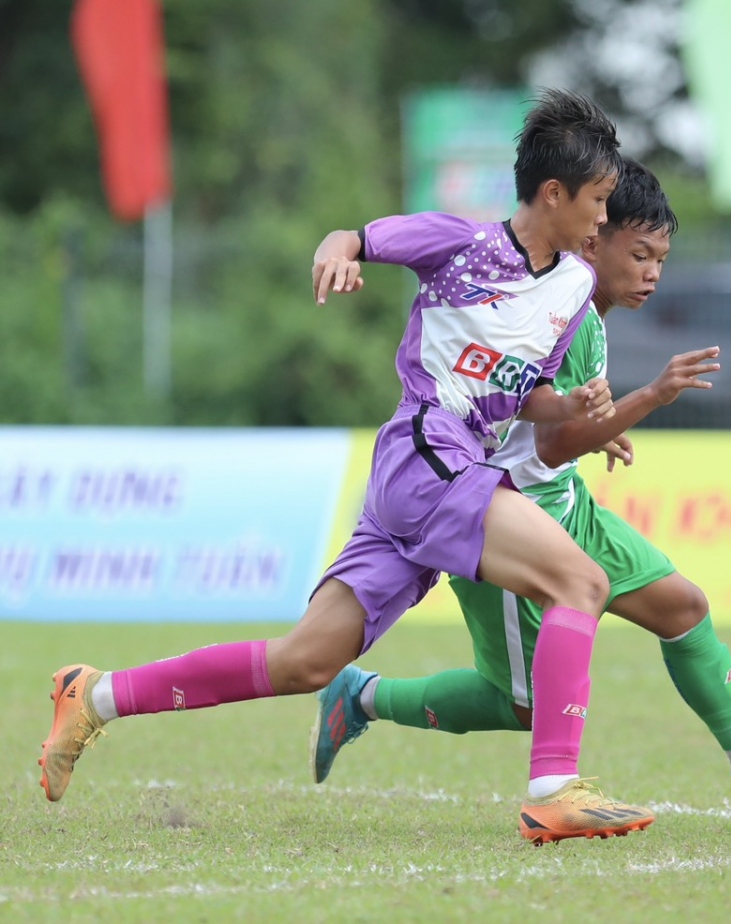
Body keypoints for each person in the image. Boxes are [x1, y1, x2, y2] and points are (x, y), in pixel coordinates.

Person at [38, 89, 657, 844]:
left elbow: (523, 397)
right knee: (581, 580)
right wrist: (337, 256)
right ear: (553, 193)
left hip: (429, 473)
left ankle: (94, 696)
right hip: (428, 454)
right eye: (597, 201)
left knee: (305, 661)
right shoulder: (463, 243)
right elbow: (352, 238)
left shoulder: (568, 290)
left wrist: (575, 412)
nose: (604, 218)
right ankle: (554, 788)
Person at [310, 158, 731, 829]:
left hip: (566, 502)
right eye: (640, 253)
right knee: (523, 706)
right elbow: (549, 443)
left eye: (660, 258)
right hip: (507, 513)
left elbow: (563, 432)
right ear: (592, 239)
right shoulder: (559, 305)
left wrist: (603, 427)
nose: (653, 272)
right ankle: (362, 697)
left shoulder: (584, 316)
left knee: (683, 606)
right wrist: (647, 398)